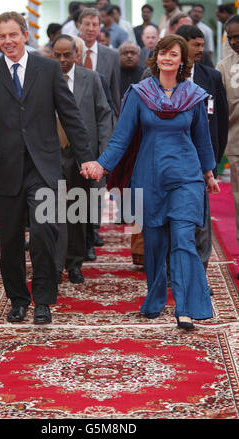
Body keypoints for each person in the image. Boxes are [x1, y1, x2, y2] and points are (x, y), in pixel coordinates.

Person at [82, 34, 220, 330]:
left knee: (184, 241)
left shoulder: (195, 95)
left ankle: (185, 308)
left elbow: (202, 139)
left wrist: (208, 173)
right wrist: (101, 165)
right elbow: (121, 138)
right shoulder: (139, 93)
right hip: (149, 178)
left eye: (173, 54)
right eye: (162, 53)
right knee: (155, 245)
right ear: (156, 58)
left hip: (186, 178)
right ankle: (156, 297)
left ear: (182, 60)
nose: (167, 58)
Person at [0, 12, 93, 324]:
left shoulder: (48, 69)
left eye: (13, 35)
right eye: (2, 36)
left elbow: (70, 115)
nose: (8, 41)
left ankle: (43, 301)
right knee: (9, 239)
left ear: (25, 35)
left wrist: (86, 156)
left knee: (43, 233)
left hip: (44, 167)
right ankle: (18, 299)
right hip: (4, 168)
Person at [52, 34, 112, 283]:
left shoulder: (92, 79)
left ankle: (75, 263)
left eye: (68, 54)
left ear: (77, 54)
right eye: (58, 55)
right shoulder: (44, 77)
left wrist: (104, 157)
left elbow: (103, 116)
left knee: (77, 213)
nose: (63, 59)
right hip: (51, 154)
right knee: (51, 212)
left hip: (82, 157)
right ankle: (54, 265)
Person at [175, 24, 228, 289]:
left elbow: (219, 120)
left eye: (202, 44)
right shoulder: (164, 75)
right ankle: (173, 270)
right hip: (171, 158)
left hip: (201, 159)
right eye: (196, 44)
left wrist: (214, 162)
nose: (201, 49)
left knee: (200, 219)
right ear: (182, 44)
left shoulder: (212, 77)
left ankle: (200, 272)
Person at [216, 15, 239, 277]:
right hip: (236, 143)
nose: (234, 41)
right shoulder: (223, 67)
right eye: (230, 37)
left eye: (238, 36)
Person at [79, 8, 121, 120]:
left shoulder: (112, 55)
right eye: (87, 24)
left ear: (99, 27)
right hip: (76, 118)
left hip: (103, 118)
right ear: (80, 26)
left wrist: (114, 120)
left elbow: (115, 92)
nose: (90, 29)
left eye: (95, 25)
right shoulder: (72, 54)